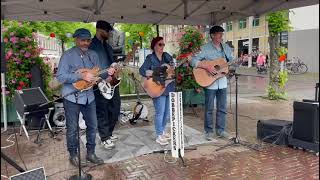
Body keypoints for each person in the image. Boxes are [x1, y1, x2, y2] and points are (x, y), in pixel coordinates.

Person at [56, 28, 111, 167]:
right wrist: (81, 76)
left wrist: (108, 72)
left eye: (88, 40)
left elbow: (98, 75)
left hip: (89, 97)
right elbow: (61, 76)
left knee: (93, 126)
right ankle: (73, 155)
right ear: (76, 40)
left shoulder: (94, 55)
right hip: (72, 98)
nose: (85, 43)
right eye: (82, 40)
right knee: (73, 128)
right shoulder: (67, 55)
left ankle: (91, 153)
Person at [191, 25, 233, 141]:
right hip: (209, 81)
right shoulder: (204, 48)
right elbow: (193, 60)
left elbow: (231, 62)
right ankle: (208, 131)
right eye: (219, 34)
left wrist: (239, 61)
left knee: (222, 108)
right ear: (212, 35)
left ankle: (220, 130)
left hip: (222, 81)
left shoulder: (226, 48)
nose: (221, 36)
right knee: (209, 108)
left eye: (222, 34)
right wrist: (207, 66)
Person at [89, 20, 120, 149]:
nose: (109, 34)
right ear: (99, 30)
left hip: (112, 82)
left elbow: (112, 63)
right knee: (102, 111)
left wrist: (116, 66)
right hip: (99, 84)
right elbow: (91, 66)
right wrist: (102, 78)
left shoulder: (107, 46)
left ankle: (109, 132)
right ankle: (105, 137)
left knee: (115, 109)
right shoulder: (91, 46)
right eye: (107, 31)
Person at [139, 37, 174, 145]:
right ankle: (159, 135)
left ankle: (162, 131)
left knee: (167, 113)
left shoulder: (167, 56)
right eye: (160, 44)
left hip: (168, 86)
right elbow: (142, 70)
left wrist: (171, 67)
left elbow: (172, 68)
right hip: (156, 87)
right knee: (160, 112)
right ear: (154, 46)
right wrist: (155, 71)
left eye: (163, 44)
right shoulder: (150, 58)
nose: (162, 46)